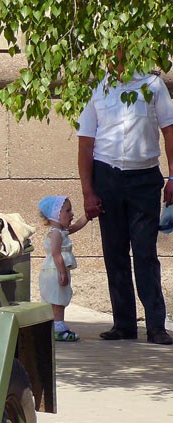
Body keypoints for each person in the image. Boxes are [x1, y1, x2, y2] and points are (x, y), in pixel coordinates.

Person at [77, 62, 173, 345]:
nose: (113, 54)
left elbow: (170, 132)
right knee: (114, 253)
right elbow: (85, 144)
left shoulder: (153, 86)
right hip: (107, 176)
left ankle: (156, 325)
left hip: (144, 177)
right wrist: (88, 192)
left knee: (145, 253)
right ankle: (124, 324)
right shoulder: (97, 88)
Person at [37, 195, 91, 342]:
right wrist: (62, 272)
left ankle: (54, 327)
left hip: (55, 270)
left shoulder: (61, 231)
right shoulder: (55, 233)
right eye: (67, 211)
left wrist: (88, 216)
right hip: (54, 271)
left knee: (58, 300)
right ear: (55, 215)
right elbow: (56, 254)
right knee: (58, 301)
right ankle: (58, 328)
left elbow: (76, 226)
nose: (72, 214)